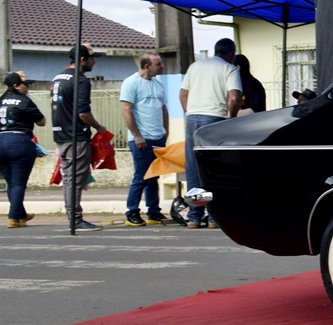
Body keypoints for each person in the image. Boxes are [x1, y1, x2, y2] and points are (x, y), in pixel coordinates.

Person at [179, 37, 242, 228]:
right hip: (215, 119)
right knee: (213, 168)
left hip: (192, 119)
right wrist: (231, 118)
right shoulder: (229, 69)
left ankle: (194, 217)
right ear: (231, 53)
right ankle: (214, 217)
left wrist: (190, 112)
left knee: (193, 168)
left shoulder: (195, 66)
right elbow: (234, 97)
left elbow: (183, 94)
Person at [50, 43, 111, 232]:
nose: (94, 62)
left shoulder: (58, 77)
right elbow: (83, 113)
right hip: (75, 135)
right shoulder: (81, 80)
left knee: (69, 178)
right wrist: (99, 127)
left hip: (61, 134)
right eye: (92, 59)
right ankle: (75, 219)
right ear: (83, 60)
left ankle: (72, 216)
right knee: (75, 179)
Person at [0, 72, 45, 228]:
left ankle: (20, 213)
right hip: (19, 142)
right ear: (16, 86)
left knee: (12, 183)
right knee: (18, 183)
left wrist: (1, 125)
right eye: (25, 85)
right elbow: (42, 122)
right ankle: (13, 218)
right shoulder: (24, 101)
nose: (27, 87)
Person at [119, 52, 170, 227]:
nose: (162, 66)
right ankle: (132, 212)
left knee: (153, 176)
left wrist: (166, 132)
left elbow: (163, 109)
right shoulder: (131, 82)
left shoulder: (158, 84)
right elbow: (126, 110)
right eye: (158, 64)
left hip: (157, 137)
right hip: (141, 139)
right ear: (147, 66)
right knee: (141, 176)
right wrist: (137, 135)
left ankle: (153, 211)